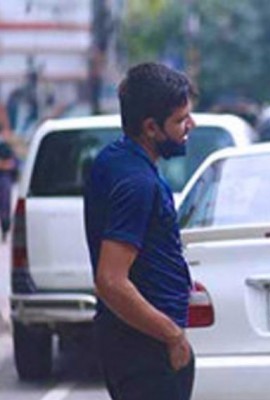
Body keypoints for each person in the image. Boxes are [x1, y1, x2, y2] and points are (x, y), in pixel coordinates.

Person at [83, 62, 197, 400]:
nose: (191, 125)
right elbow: (111, 280)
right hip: (144, 347)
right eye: (180, 120)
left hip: (133, 341)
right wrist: (172, 335)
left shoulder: (114, 159)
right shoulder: (137, 182)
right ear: (151, 127)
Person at [0, 129, 17, 242]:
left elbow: (11, 164)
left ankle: (5, 229)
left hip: (4, 178)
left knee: (5, 205)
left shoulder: (5, 148)